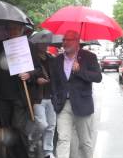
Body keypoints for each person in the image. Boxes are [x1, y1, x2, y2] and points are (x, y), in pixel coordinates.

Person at [0, 23, 40, 158]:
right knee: (7, 130)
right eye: (10, 28)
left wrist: (29, 74)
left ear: (22, 30)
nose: (13, 31)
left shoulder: (29, 46)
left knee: (18, 127)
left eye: (16, 28)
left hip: (20, 96)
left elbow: (38, 69)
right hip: (2, 96)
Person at [53, 30, 102, 158]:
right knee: (63, 139)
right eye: (64, 40)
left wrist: (80, 71)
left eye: (68, 40)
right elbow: (54, 82)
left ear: (76, 42)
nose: (64, 42)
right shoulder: (57, 60)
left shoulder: (89, 57)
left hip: (82, 105)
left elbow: (98, 77)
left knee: (85, 141)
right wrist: (55, 99)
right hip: (63, 105)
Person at [32, 43, 57, 158]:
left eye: (46, 42)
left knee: (51, 125)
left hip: (51, 96)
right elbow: (28, 77)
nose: (44, 45)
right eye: (41, 43)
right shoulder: (32, 59)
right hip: (38, 97)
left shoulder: (52, 59)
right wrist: (36, 80)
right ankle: (33, 140)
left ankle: (48, 150)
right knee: (42, 124)